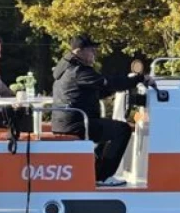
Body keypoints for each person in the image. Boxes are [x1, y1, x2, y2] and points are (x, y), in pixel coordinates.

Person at [51, 35, 149, 187]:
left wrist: (116, 89)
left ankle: (96, 172)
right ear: (79, 51)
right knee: (122, 130)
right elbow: (108, 83)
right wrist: (138, 79)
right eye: (92, 50)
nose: (95, 53)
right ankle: (102, 176)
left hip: (68, 121)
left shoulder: (67, 68)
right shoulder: (79, 71)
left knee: (106, 130)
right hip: (76, 123)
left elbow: (99, 90)